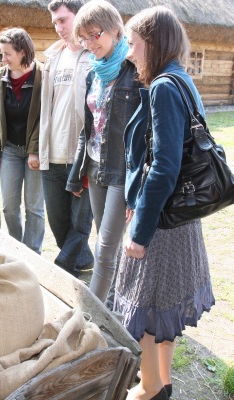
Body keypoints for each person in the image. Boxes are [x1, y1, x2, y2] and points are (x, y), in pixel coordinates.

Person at [115, 7, 215, 400]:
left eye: (133, 44)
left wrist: (139, 229)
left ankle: (149, 388)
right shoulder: (181, 80)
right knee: (163, 306)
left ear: (152, 44)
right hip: (178, 215)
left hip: (161, 220)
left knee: (145, 305)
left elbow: (165, 166)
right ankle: (162, 382)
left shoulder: (162, 86)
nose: (129, 53)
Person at [66, 0, 142, 304]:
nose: (87, 43)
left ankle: (91, 316)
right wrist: (77, 174)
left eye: (93, 35)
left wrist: (138, 189)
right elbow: (89, 128)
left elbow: (144, 134)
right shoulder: (93, 74)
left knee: (105, 248)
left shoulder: (135, 72)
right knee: (106, 244)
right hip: (95, 168)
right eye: (82, 38)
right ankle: (116, 303)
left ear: (114, 30)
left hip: (122, 171)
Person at [39, 0, 93, 277]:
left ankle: (61, 269)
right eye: (55, 23)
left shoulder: (94, 57)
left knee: (80, 221)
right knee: (58, 222)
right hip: (52, 153)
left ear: (79, 17)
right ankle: (83, 261)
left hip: (83, 155)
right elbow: (43, 109)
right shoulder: (52, 59)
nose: (59, 28)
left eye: (63, 20)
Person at [0, 28, 45, 254]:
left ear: (22, 52)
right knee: (10, 207)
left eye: (7, 53)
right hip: (9, 149)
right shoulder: (0, 77)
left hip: (36, 152)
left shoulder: (42, 75)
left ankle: (33, 255)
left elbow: (44, 117)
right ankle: (17, 249)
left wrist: (35, 150)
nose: (3, 59)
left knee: (34, 208)